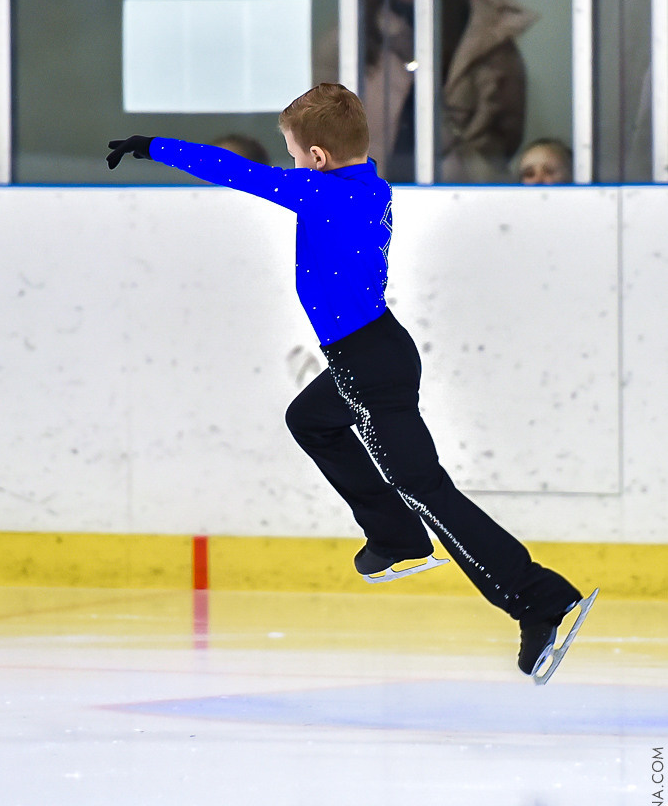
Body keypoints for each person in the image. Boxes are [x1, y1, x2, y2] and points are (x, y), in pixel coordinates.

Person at [106, 82, 595, 680]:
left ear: (315, 158)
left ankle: (537, 600)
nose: (287, 162)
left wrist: (150, 144)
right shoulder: (368, 182)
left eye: (291, 152)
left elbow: (233, 170)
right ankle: (395, 537)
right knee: (309, 419)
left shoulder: (318, 192)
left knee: (427, 490)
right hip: (377, 350)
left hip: (366, 366)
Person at [315, 0, 537, 182]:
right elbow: (322, 126)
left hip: (467, 197)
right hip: (367, 195)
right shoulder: (348, 41)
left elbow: (507, 132)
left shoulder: (486, 35)